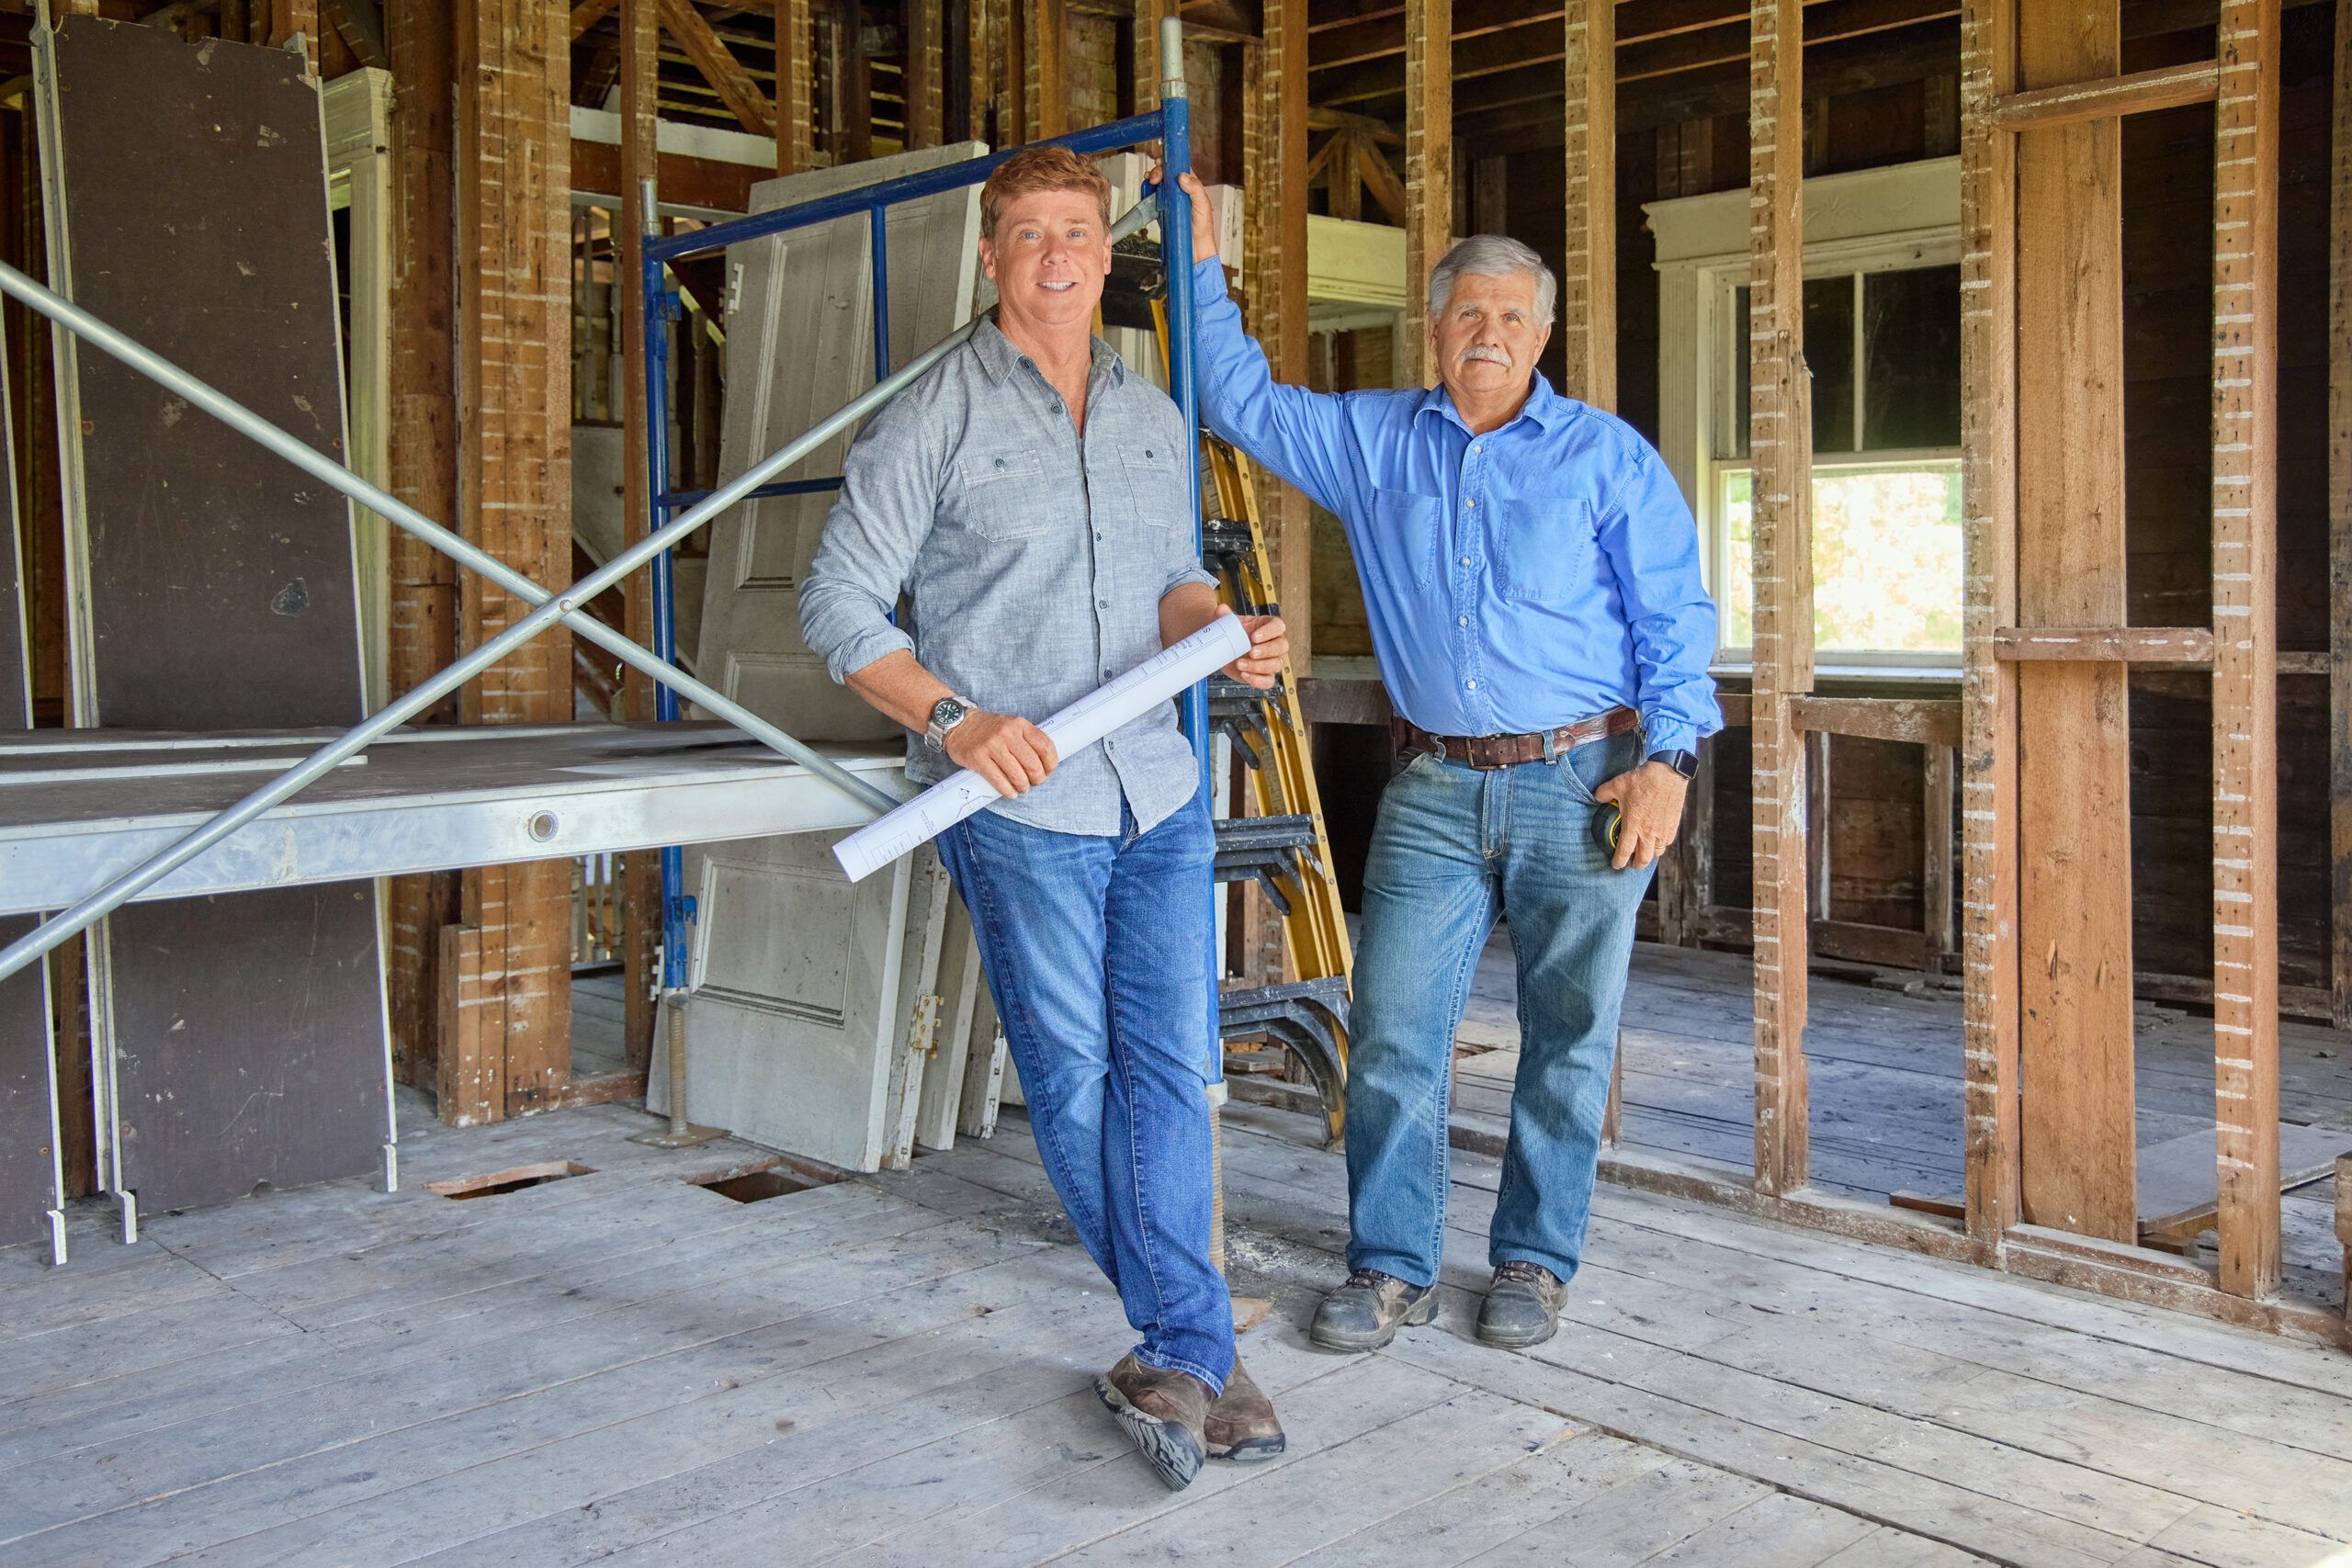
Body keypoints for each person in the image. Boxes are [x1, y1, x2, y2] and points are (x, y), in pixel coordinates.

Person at [797, 146, 1290, 1491]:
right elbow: (838, 608)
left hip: (1158, 787)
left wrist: (1222, 638)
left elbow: (1175, 581)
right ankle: (1195, 1344)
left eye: (1078, 233)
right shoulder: (931, 417)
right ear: (990, 254)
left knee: (1174, 1071)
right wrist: (956, 717)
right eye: (1029, 236)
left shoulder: (1148, 414)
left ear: (1103, 248)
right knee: (1075, 1079)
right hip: (1022, 805)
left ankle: (1181, 1352)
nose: (1058, 258)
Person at [1169, 168, 1721, 1352]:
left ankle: (1532, 1259)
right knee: (1395, 1038)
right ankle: (1389, 1265)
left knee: (1569, 1040)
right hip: (1431, 786)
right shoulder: (1373, 442)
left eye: (1512, 317)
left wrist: (1669, 760)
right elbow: (1237, 399)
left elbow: (1677, 621)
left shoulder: (1604, 459)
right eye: (1468, 313)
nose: (1489, 335)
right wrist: (1202, 264)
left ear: (1544, 334)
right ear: (1433, 327)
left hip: (1587, 780)